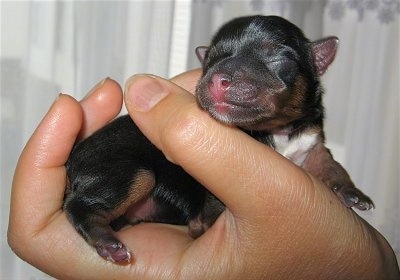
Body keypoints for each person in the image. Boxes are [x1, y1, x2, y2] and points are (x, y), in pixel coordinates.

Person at [8, 70, 399, 279]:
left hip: (170, 204)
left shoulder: (288, 138)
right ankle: (88, 215)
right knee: (136, 176)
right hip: (136, 165)